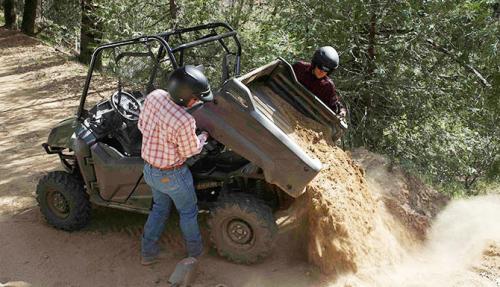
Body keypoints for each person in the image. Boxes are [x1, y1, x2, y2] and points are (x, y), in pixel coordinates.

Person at [138, 65, 213, 265]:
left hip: (150, 170)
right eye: (196, 97)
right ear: (184, 97)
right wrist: (204, 136)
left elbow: (141, 125)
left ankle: (148, 253)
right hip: (173, 176)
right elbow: (190, 152)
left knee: (159, 209)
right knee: (188, 211)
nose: (197, 101)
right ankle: (195, 254)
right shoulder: (184, 120)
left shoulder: (155, 96)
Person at [292, 46, 347, 118]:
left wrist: (342, 111)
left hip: (304, 117)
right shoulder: (300, 68)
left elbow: (335, 105)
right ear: (315, 63)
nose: (322, 72)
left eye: (326, 70)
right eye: (321, 67)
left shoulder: (327, 86)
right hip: (282, 100)